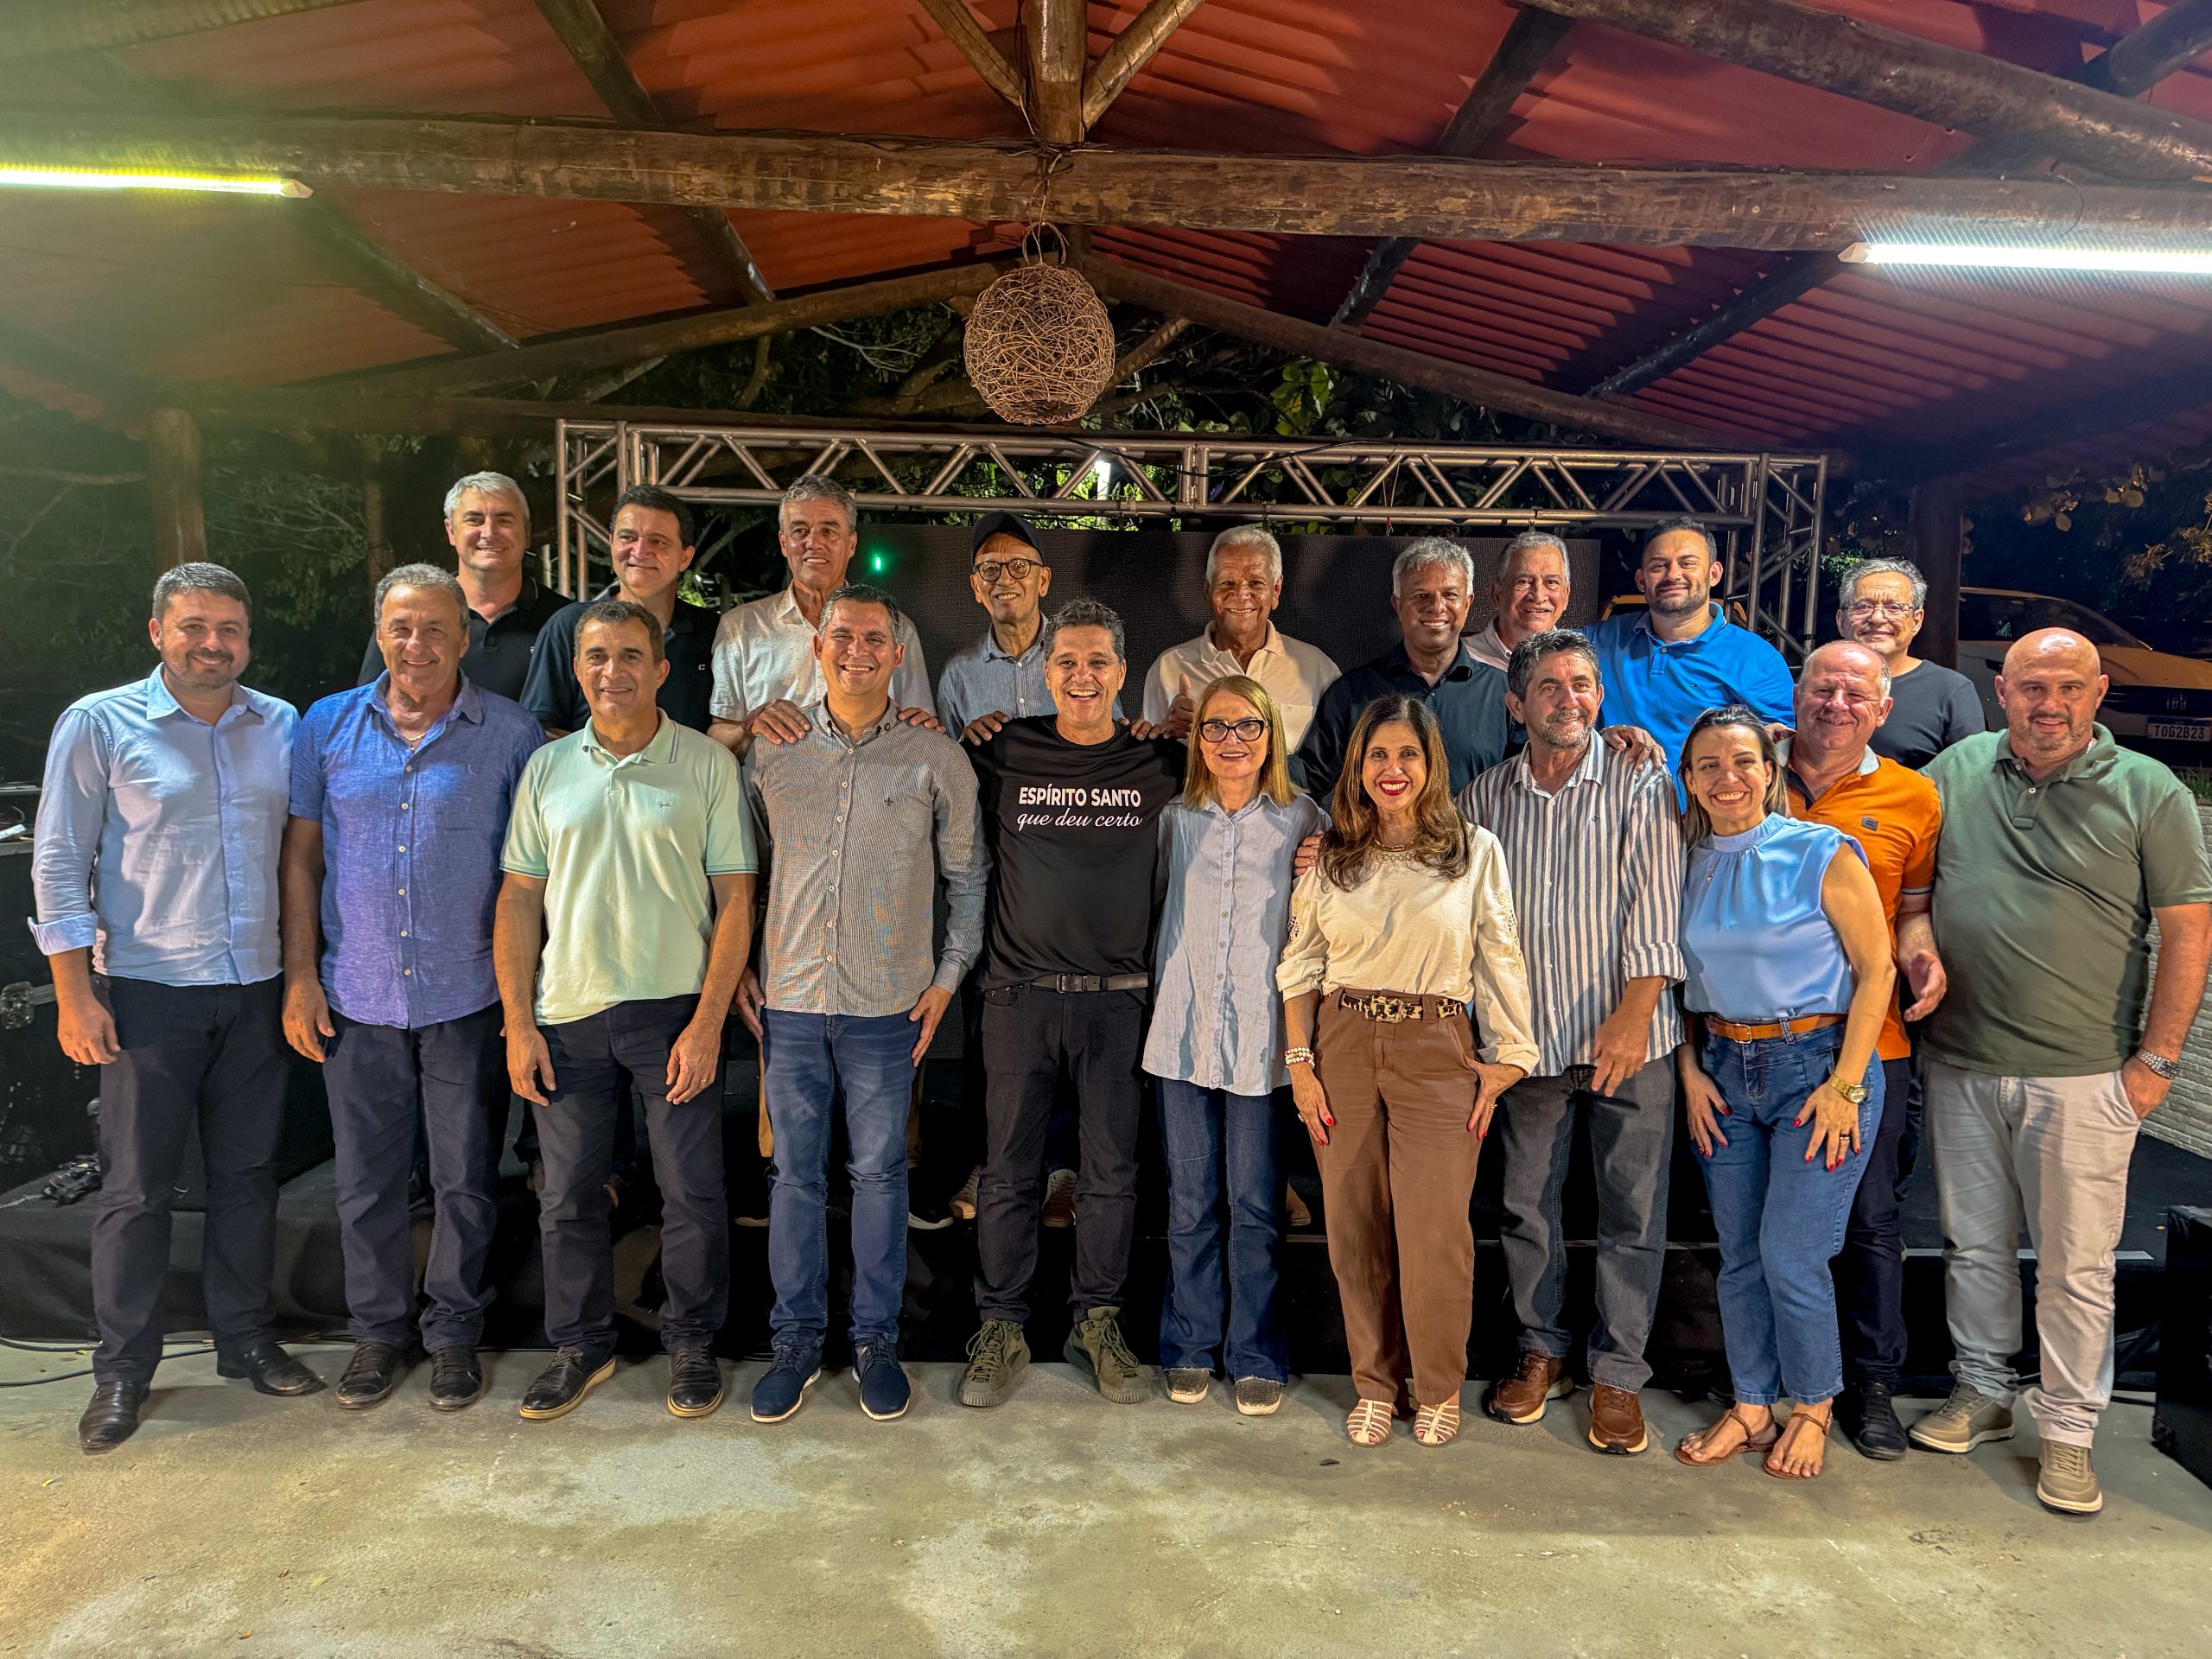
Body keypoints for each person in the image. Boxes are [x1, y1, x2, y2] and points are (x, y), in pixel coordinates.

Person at [1908, 627, 2212, 1518]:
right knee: (1973, 1247)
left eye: (2069, 687)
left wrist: (2155, 1063)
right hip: (1962, 1061)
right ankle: (1982, 1391)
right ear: (2001, 691)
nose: (2050, 704)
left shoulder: (2148, 790)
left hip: (2083, 1075)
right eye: (2032, 686)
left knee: (2076, 1267)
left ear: (2098, 691)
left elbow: (2188, 934)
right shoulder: (1956, 771)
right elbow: (1914, 892)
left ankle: (2070, 1431)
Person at [35, 564, 324, 1455]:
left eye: (229, 629)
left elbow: (301, 855)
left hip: (256, 987)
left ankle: (244, 1340)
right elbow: (58, 863)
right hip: (146, 992)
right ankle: (123, 1368)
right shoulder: (100, 723)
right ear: (158, 631)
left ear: (248, 638)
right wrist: (73, 995)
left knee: (247, 1178)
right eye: (194, 626)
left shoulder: (281, 725)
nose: (212, 644)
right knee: (134, 1190)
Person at [283, 563, 544, 1413]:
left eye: (436, 628)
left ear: (464, 638)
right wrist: (299, 976)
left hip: (465, 997)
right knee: (366, 1183)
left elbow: (529, 878)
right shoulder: (325, 726)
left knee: (466, 1179)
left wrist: (521, 1003)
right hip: (355, 997)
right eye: (401, 627)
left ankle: (455, 1332)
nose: (417, 643)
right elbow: (300, 860)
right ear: (380, 633)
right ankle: (377, 1334)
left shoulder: (511, 734)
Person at [496, 601, 758, 1421]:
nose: (614, 671)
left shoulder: (705, 764)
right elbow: (518, 898)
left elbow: (737, 898)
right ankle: (581, 1346)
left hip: (674, 1012)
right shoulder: (547, 770)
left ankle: (692, 1342)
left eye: (631, 655)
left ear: (661, 669)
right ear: (578, 670)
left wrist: (708, 1023)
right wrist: (519, 1023)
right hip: (567, 1010)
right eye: (598, 656)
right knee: (567, 1197)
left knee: (692, 1192)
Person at [737, 584, 985, 1425]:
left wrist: (947, 978)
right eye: (842, 636)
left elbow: (969, 879)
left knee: (880, 1177)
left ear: (896, 653)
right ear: (818, 647)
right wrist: (740, 967)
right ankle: (796, 1344)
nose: (857, 651)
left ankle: (877, 1341)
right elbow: (742, 872)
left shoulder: (934, 757)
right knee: (794, 1177)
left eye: (875, 638)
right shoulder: (772, 751)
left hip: (888, 1009)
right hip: (792, 1001)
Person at [1278, 696, 1537, 1449]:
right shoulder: (1332, 855)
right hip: (1343, 1044)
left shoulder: (1474, 850)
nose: (1392, 770)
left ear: (1431, 765)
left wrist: (1511, 1057)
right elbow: (1301, 962)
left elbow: (1500, 951)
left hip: (1436, 1047)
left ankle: (1437, 1385)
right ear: (1358, 767)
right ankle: (1374, 1383)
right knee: (1353, 1228)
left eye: (1408, 755)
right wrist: (1301, 1065)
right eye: (1378, 756)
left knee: (1435, 1233)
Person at [1460, 630, 1686, 1456]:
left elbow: (1658, 907)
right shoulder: (1483, 798)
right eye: (1550, 686)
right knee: (1527, 1207)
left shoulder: (1639, 778)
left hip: (1631, 1037)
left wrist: (1633, 1015)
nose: (1569, 698)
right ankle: (1540, 1350)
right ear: (1516, 703)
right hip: (1528, 1044)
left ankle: (1619, 1373)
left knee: (1634, 1211)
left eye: (1583, 683)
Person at [958, 599, 1185, 1409]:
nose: (1082, 676)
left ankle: (1098, 1321)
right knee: (1008, 1173)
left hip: (1119, 1003)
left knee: (1111, 1176)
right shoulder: (1003, 749)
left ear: (1123, 672)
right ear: (1045, 673)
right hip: (1018, 999)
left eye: (1097, 662)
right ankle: (1001, 1325)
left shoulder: (1162, 761)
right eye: (1066, 662)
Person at [1670, 708, 1893, 1483]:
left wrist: (1846, 1086)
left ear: (1769, 772)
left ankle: (1813, 1405)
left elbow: (1878, 971)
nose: (1726, 778)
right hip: (1723, 1072)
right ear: (1688, 780)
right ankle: (1752, 1404)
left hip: (1818, 1069)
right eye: (1707, 765)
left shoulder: (1820, 851)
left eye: (1743, 762)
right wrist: (1689, 1071)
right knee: (1739, 1257)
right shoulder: (1684, 862)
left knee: (1792, 1255)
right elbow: (1674, 980)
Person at [1777, 642, 1945, 1461]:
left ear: (1883, 709)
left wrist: (1922, 952)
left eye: (1855, 693)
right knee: (1768, 1223)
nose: (1835, 704)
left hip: (1870, 1044)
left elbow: (1912, 909)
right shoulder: (1746, 770)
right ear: (1796, 693)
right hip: (1761, 1040)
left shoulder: (1915, 796)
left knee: (1871, 1219)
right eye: (1822, 687)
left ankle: (1871, 1384)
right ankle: (1768, 1378)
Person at [1145, 674, 1325, 1418]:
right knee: (1190, 1203)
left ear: (1270, 735)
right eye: (1215, 727)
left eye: (1248, 725)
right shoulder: (1173, 820)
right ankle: (1189, 1344)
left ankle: (1255, 1353)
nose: (1231, 741)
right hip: (1181, 1035)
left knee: (1254, 1205)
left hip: (1260, 1039)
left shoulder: (1303, 819)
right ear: (1196, 739)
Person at [929, 511, 1096, 1227]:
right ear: (975, 587)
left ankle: (1062, 1170)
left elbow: (1107, 745)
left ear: (1044, 579)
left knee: (1066, 1023)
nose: (1006, 580)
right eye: (991, 570)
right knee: (989, 1030)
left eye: (1019, 567)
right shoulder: (959, 676)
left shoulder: (1080, 654)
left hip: (1072, 875)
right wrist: (965, 745)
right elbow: (941, 780)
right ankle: (992, 1164)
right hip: (995, 876)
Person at [708, 474, 933, 755]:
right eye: (800, 531)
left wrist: (918, 728)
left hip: (872, 781)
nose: (813, 543)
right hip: (772, 783)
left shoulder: (897, 629)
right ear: (783, 543)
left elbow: (920, 725)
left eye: (828, 531)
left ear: (851, 544)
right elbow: (717, 737)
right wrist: (748, 729)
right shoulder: (739, 628)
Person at [1300, 538, 1510, 801]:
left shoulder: (1505, 695)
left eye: (1450, 595)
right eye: (1421, 595)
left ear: (1467, 603)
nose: (1436, 606)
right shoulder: (1351, 693)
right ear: (1398, 605)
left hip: (1473, 830)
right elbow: (1310, 780)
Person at [1582, 518, 1795, 773]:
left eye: (1688, 563)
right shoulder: (1600, 640)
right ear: (1641, 580)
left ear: (1714, 574)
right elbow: (1540, 645)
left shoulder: (1757, 659)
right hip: (1614, 797)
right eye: (1659, 565)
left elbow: (1782, 756)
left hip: (1705, 799)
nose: (1673, 575)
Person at [520, 484, 719, 736]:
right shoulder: (569, 625)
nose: (640, 551)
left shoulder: (714, 633)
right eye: (628, 538)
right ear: (612, 543)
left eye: (658, 541)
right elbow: (537, 730)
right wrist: (608, 756)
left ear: (685, 557)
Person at [354, 472, 568, 702]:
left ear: (526, 533)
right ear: (451, 531)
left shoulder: (565, 621)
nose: (489, 533)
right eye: (474, 520)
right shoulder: (407, 617)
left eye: (504, 521)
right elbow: (368, 709)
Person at [1141, 525, 1340, 750]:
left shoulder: (1317, 669)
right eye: (1228, 583)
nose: (1241, 594)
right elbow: (1149, 759)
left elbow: (1334, 760)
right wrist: (1167, 734)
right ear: (1208, 590)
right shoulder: (1169, 667)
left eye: (1256, 583)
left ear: (1275, 590)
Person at [1835, 558, 1983, 770]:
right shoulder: (1818, 683)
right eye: (1863, 606)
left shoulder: (1951, 690)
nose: (1877, 618)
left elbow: (1970, 775)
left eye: (1894, 607)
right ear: (1841, 621)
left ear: (1916, 621)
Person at [1465, 530, 1573, 673]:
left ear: (1566, 596)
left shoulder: (1580, 664)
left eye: (1551, 582)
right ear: (1496, 594)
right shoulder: (1460, 659)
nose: (1538, 597)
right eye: (1523, 582)